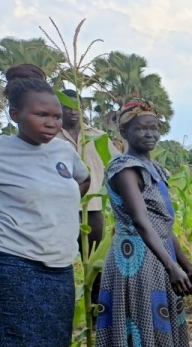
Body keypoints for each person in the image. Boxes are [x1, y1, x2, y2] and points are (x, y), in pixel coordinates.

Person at [0, 65, 108, 347]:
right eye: (40, 115)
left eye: (55, 116)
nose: (50, 122)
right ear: (14, 114)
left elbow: (80, 184)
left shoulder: (64, 152)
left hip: (58, 263)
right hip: (13, 262)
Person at [93, 99, 192, 347]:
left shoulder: (154, 169)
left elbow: (164, 224)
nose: (150, 133)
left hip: (158, 258)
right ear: (123, 131)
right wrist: (171, 266)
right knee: (140, 333)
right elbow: (141, 222)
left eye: (154, 127)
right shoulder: (124, 168)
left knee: (159, 331)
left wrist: (187, 266)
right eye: (141, 127)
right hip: (136, 262)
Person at [57, 89, 121, 322]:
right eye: (67, 107)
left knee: (94, 263)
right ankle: (64, 312)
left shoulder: (98, 136)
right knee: (59, 261)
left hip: (93, 207)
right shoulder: (52, 137)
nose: (73, 111)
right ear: (59, 108)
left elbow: (118, 165)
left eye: (77, 107)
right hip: (60, 211)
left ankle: (95, 312)